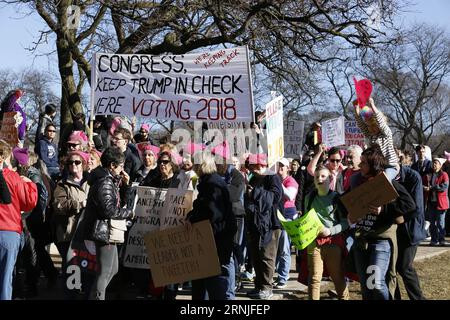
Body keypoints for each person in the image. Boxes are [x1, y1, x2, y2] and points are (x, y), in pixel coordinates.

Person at [350, 145, 416, 300]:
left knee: (377, 284)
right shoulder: (359, 182)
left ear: (373, 164)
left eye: (364, 162)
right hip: (362, 242)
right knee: (366, 287)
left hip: (381, 242)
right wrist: (349, 214)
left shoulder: (387, 182)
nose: (360, 165)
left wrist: (384, 210)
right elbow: (346, 204)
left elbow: (409, 205)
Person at [82, 147, 135, 300]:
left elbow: (119, 202)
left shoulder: (109, 180)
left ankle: (95, 296)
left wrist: (126, 185)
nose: (122, 169)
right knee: (105, 271)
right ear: (112, 165)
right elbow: (109, 211)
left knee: (113, 269)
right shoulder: (104, 181)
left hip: (107, 230)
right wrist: (129, 213)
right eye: (120, 165)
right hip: (103, 231)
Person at [187, 154, 237, 300]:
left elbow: (213, 213)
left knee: (214, 284)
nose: (193, 167)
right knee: (204, 282)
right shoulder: (209, 182)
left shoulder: (212, 184)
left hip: (216, 240)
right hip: (211, 238)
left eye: (195, 164)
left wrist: (193, 218)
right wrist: (191, 215)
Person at [304, 166, 349, 300]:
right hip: (314, 242)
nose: (320, 179)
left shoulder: (337, 198)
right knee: (314, 278)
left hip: (333, 243)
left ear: (330, 179)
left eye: (323, 176)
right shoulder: (309, 197)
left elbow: (345, 222)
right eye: (317, 176)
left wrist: (330, 230)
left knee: (337, 277)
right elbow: (306, 219)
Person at [0, 139, 38, 300]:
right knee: (5, 280)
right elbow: (29, 202)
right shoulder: (13, 177)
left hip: (8, 230)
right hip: (8, 231)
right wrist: (31, 185)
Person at [244, 153, 283, 300]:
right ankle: (258, 286)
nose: (252, 169)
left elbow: (274, 197)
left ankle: (267, 287)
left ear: (262, 165)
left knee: (267, 256)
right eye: (250, 166)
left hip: (270, 225)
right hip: (254, 224)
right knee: (256, 256)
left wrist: (254, 192)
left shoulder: (273, 177)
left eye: (253, 166)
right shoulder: (253, 178)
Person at [53, 151, 90, 279]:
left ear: (84, 164)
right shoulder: (62, 184)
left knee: (86, 267)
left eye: (77, 162)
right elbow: (59, 205)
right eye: (70, 162)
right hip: (68, 233)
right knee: (71, 268)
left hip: (87, 233)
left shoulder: (92, 182)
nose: (73, 164)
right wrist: (79, 204)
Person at [394, 161, 427, 300]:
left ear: (398, 161)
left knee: (404, 267)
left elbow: (417, 208)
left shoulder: (413, 177)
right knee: (391, 269)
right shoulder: (385, 177)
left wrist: (401, 217)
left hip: (410, 229)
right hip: (393, 228)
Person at [352, 98, 399, 180]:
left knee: (385, 180)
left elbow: (380, 121)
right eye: (369, 126)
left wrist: (372, 106)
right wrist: (357, 109)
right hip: (376, 167)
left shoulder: (386, 134)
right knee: (355, 179)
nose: (371, 129)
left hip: (390, 166)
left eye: (373, 126)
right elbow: (361, 125)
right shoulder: (370, 136)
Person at [274, 158, 298, 289]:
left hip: (287, 216)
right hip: (276, 215)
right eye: (278, 165)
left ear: (288, 168)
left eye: (283, 166)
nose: (280, 168)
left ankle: (283, 276)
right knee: (276, 248)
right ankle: (279, 274)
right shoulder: (274, 179)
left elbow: (289, 195)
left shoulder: (291, 181)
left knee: (284, 248)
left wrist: (279, 183)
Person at [425, 158, 448, 246]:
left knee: (440, 222)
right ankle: (434, 240)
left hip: (441, 203)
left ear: (440, 165)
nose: (434, 164)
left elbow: (444, 187)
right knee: (432, 223)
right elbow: (425, 184)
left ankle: (441, 240)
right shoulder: (429, 174)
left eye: (436, 163)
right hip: (431, 202)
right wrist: (425, 187)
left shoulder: (444, 174)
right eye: (433, 163)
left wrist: (432, 187)